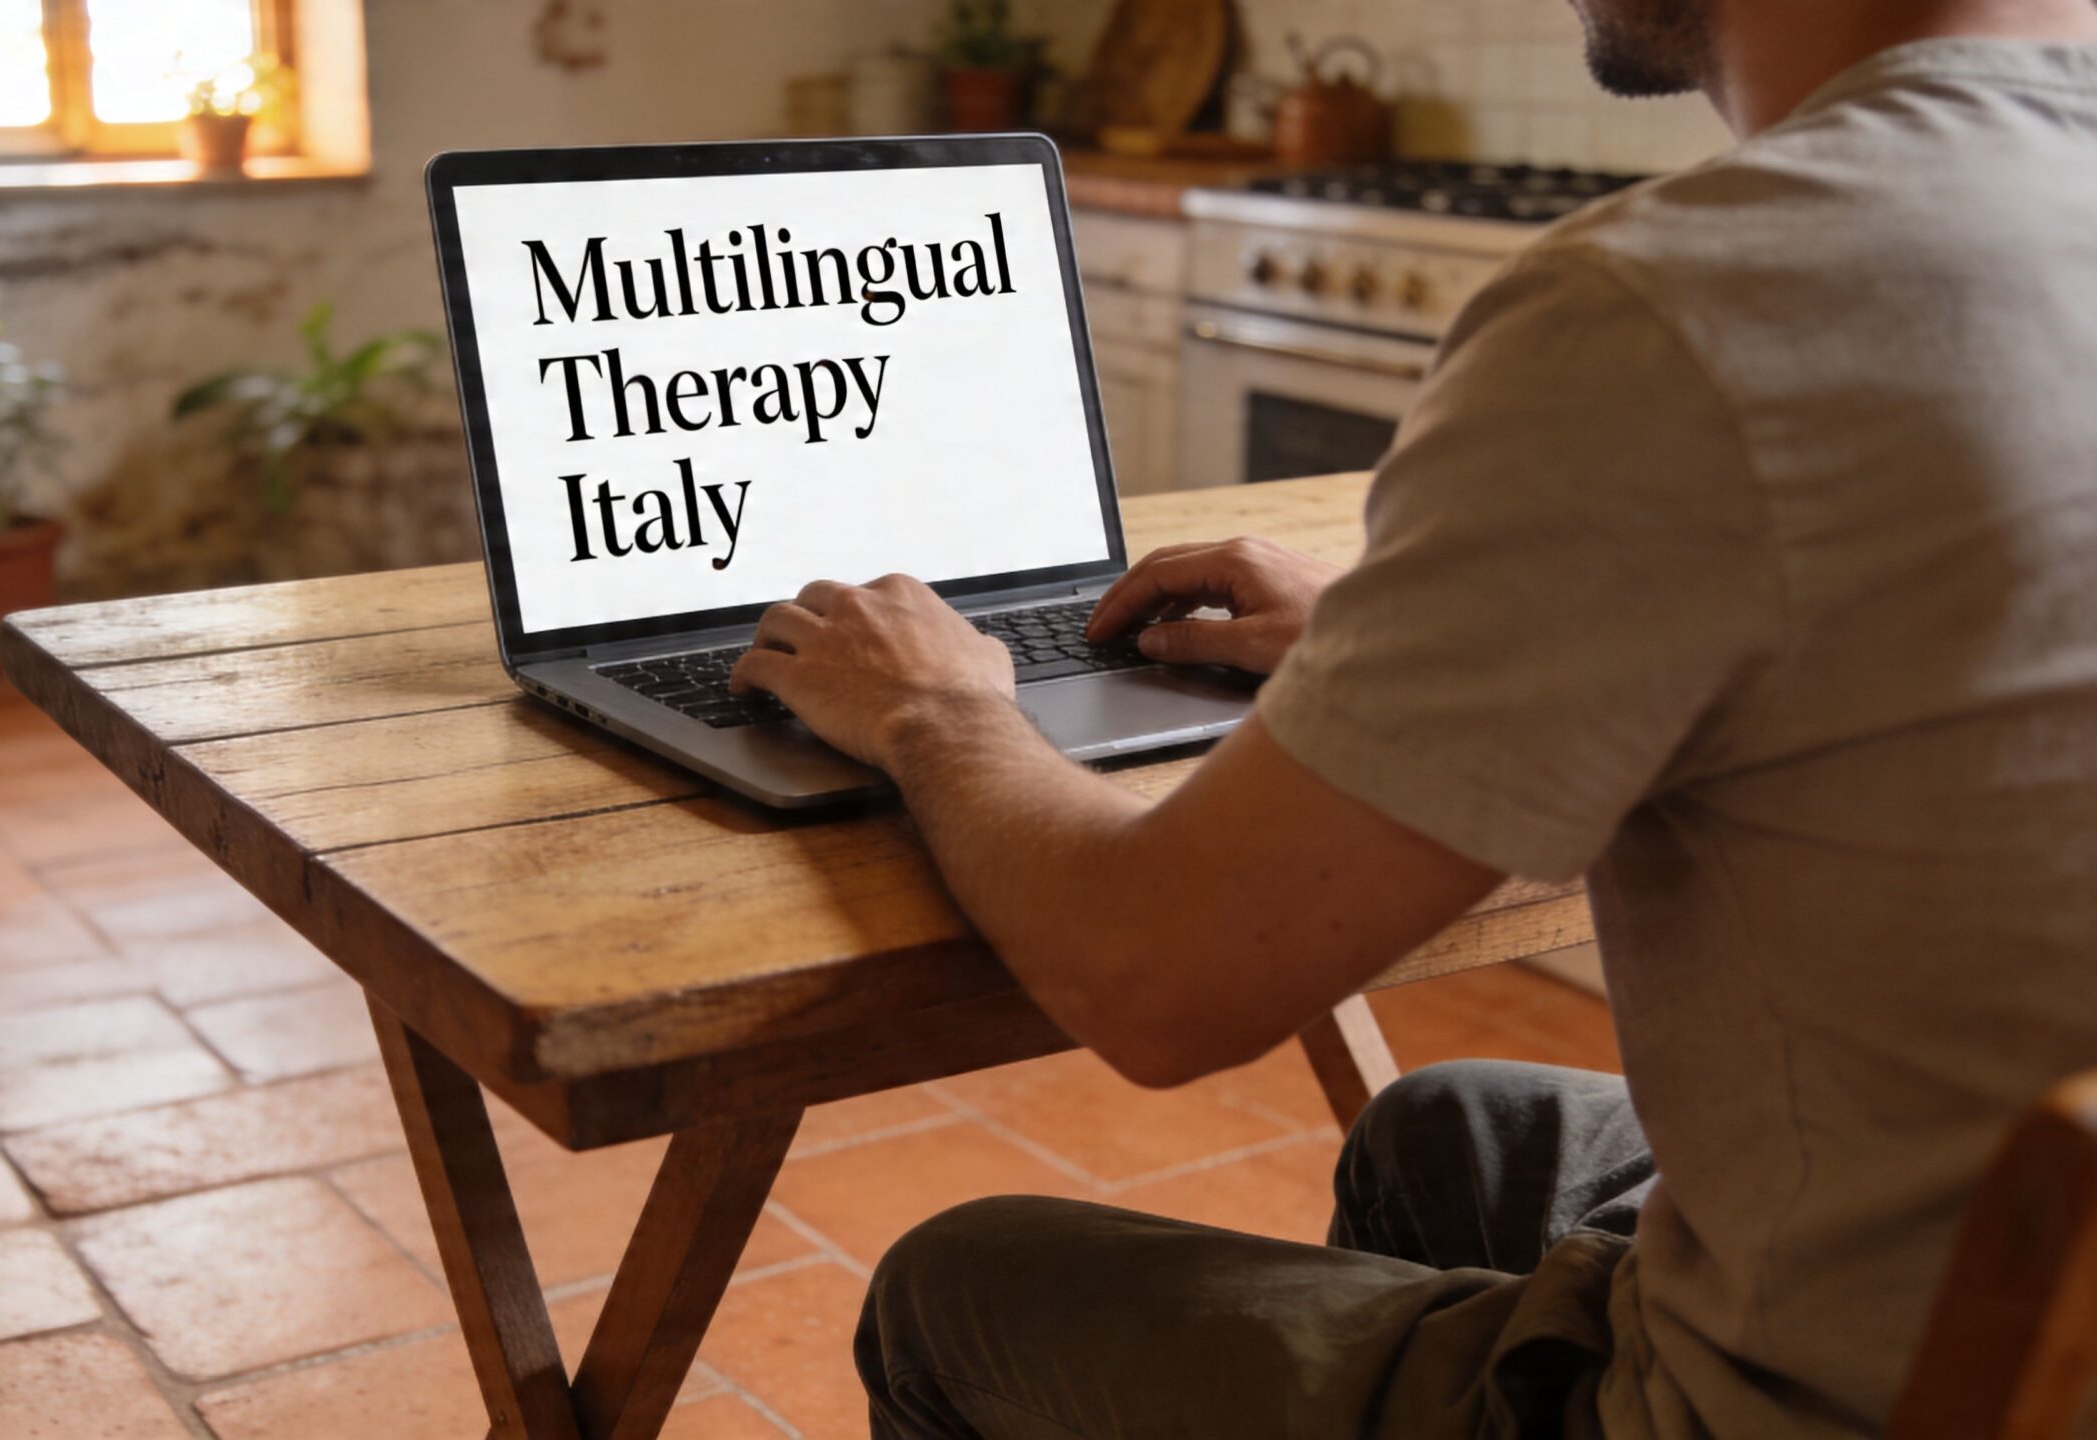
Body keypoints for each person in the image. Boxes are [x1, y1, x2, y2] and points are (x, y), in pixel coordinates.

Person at [724, 0, 2097, 1434]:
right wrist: (1437, 649)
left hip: (1826, 1400)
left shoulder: (1692, 302)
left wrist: (941, 711)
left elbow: (1155, 980)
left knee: (959, 1290)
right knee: (1449, 1135)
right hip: (2016, 1299)